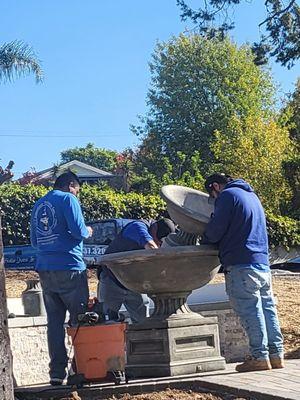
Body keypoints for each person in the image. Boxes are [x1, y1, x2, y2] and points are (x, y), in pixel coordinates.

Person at [202, 173, 284, 373]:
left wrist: (205, 238)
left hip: (241, 263)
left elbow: (215, 231)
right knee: (267, 309)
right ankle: (276, 355)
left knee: (250, 309)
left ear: (215, 186)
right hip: (262, 263)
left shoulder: (227, 196)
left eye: (212, 196)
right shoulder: (251, 196)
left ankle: (259, 357)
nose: (214, 200)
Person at [30, 171, 92, 386]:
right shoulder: (68, 199)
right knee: (80, 320)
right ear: (71, 185)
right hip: (70, 267)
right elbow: (78, 231)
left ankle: (57, 373)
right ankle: (83, 368)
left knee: (54, 323)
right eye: (78, 190)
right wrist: (88, 231)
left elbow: (34, 241)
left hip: (45, 269)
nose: (77, 194)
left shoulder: (39, 204)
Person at [99, 218, 176, 323]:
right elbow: (152, 248)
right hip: (112, 280)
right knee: (106, 322)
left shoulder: (153, 234)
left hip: (134, 284)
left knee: (143, 322)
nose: (159, 244)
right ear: (154, 230)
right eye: (158, 241)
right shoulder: (137, 227)